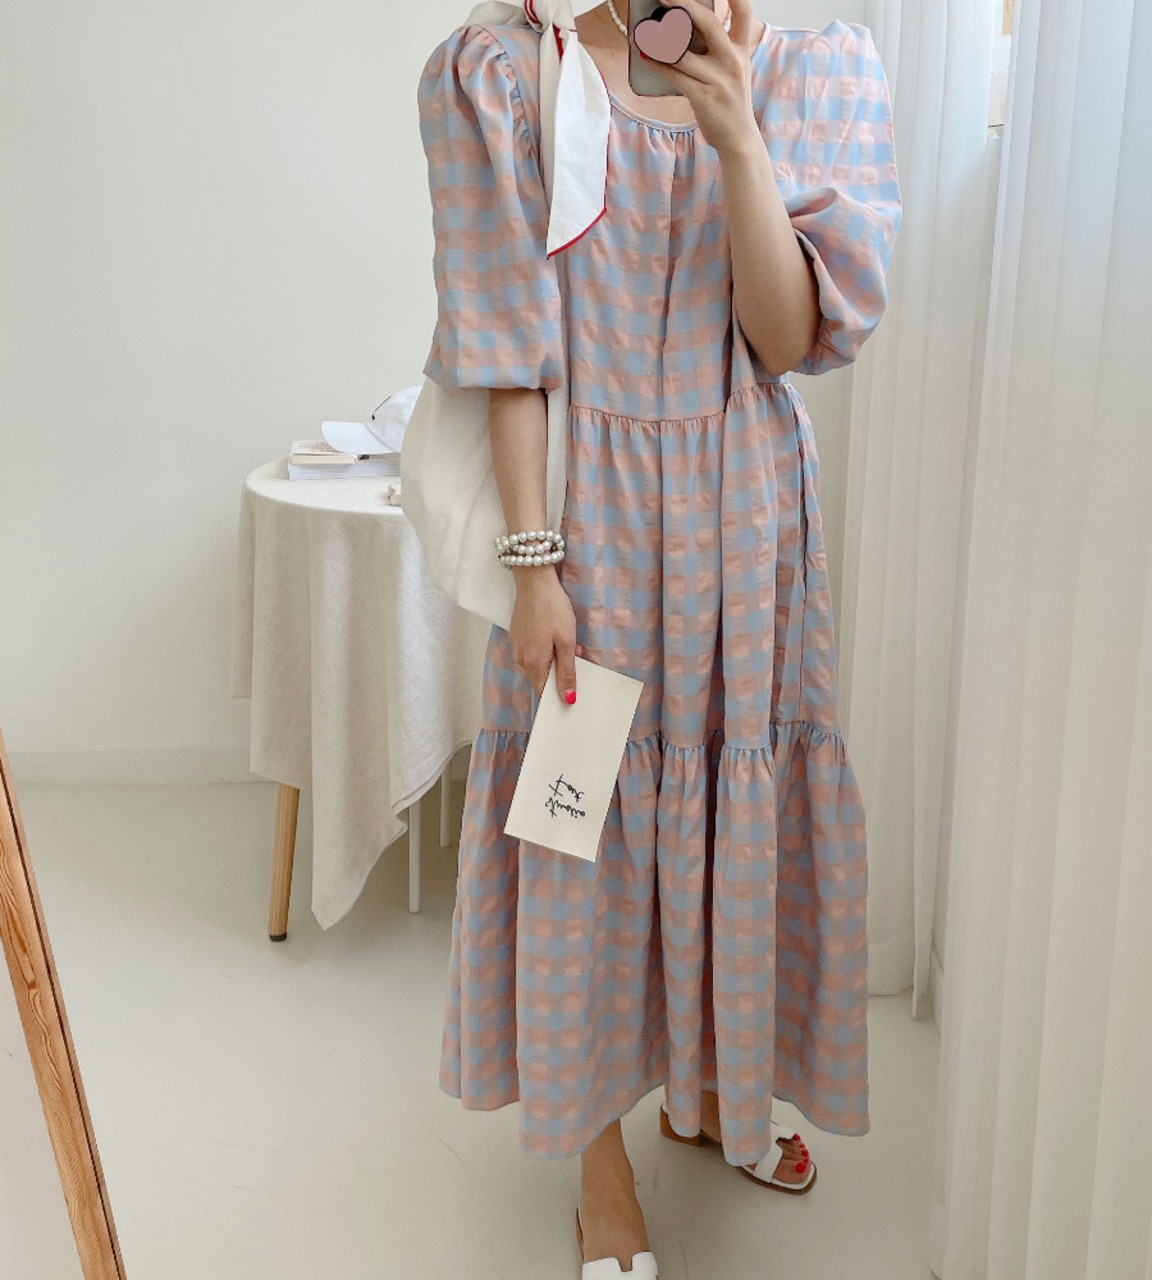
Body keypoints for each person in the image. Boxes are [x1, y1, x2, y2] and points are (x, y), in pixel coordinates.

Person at [417, 0, 901, 1272]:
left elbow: (784, 341)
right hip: (587, 521)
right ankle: (598, 1162)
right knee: (576, 826)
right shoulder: (506, 74)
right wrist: (534, 566)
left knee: (727, 812)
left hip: (744, 523)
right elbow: (507, 352)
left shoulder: (816, 70)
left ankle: (714, 1090)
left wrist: (735, 133)